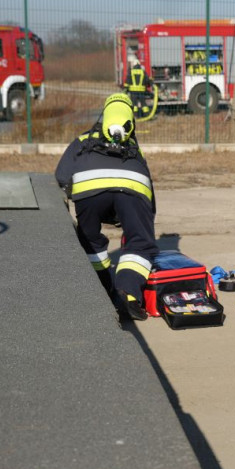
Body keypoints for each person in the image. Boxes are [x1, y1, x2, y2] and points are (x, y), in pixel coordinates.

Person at [55, 93, 159, 320]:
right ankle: (127, 293)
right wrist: (145, 221)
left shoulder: (83, 140)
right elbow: (148, 189)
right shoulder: (135, 149)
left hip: (88, 191)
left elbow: (61, 176)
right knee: (140, 244)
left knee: (90, 241)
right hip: (133, 189)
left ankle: (102, 290)